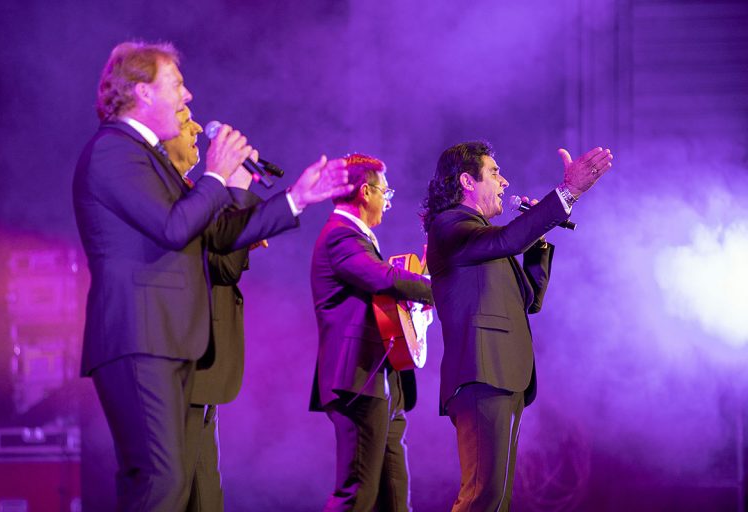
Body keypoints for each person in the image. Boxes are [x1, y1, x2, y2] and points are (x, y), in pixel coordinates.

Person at [73, 41, 351, 511]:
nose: (188, 96)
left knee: (172, 483)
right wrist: (216, 175)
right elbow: (174, 226)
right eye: (176, 84)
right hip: (139, 337)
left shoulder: (147, 156)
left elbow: (217, 235)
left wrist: (296, 199)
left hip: (167, 339)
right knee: (161, 481)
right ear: (142, 92)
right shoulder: (113, 151)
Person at [422, 141, 613, 512]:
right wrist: (567, 192)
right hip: (481, 375)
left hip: (502, 375)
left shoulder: (484, 241)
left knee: (495, 500)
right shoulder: (450, 227)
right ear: (467, 181)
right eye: (494, 173)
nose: (505, 182)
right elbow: (508, 239)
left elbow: (530, 300)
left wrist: (537, 242)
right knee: (482, 496)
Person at [309, 154, 433, 511]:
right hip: (357, 380)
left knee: (394, 497)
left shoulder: (358, 237)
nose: (388, 202)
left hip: (381, 378)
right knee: (358, 494)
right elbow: (384, 278)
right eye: (385, 192)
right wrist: (436, 287)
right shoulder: (340, 235)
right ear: (365, 192)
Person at [164, 106, 261, 511]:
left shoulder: (186, 191)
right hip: (181, 366)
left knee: (206, 496)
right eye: (185, 120)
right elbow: (223, 267)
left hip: (200, 366)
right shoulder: (169, 194)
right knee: (176, 495)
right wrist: (238, 192)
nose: (198, 129)